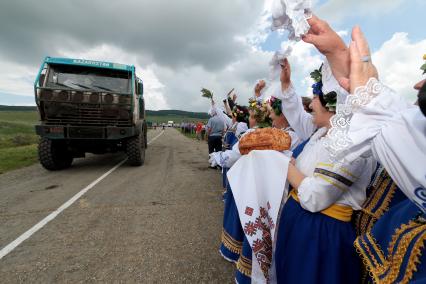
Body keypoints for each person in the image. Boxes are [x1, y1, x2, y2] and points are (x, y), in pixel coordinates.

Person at [272, 58, 375, 284]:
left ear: (333, 103)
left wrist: (284, 164)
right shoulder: (320, 133)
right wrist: (287, 84)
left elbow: (315, 196)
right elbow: (297, 115)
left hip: (321, 234)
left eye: (315, 97)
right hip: (300, 223)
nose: (310, 105)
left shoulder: (352, 144)